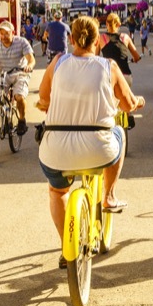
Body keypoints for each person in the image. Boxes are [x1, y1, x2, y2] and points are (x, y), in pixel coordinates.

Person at [37, 16, 144, 267]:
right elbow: (127, 105)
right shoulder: (109, 67)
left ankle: (67, 247)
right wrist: (138, 101)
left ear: (70, 40)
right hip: (99, 149)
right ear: (98, 42)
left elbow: (43, 100)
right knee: (118, 132)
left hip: (56, 150)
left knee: (57, 191)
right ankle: (108, 195)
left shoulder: (57, 63)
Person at [0, 20, 35, 135]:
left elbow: (31, 58)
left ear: (13, 32)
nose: (3, 36)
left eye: (6, 33)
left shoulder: (22, 42)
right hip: (3, 74)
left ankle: (22, 120)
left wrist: (29, 66)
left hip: (20, 73)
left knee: (19, 96)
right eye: (1, 33)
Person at [100, 12, 141, 84]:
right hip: (125, 76)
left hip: (110, 75)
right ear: (119, 24)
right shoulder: (125, 37)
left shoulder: (101, 38)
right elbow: (137, 57)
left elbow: (95, 57)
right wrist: (134, 60)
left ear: (106, 23)